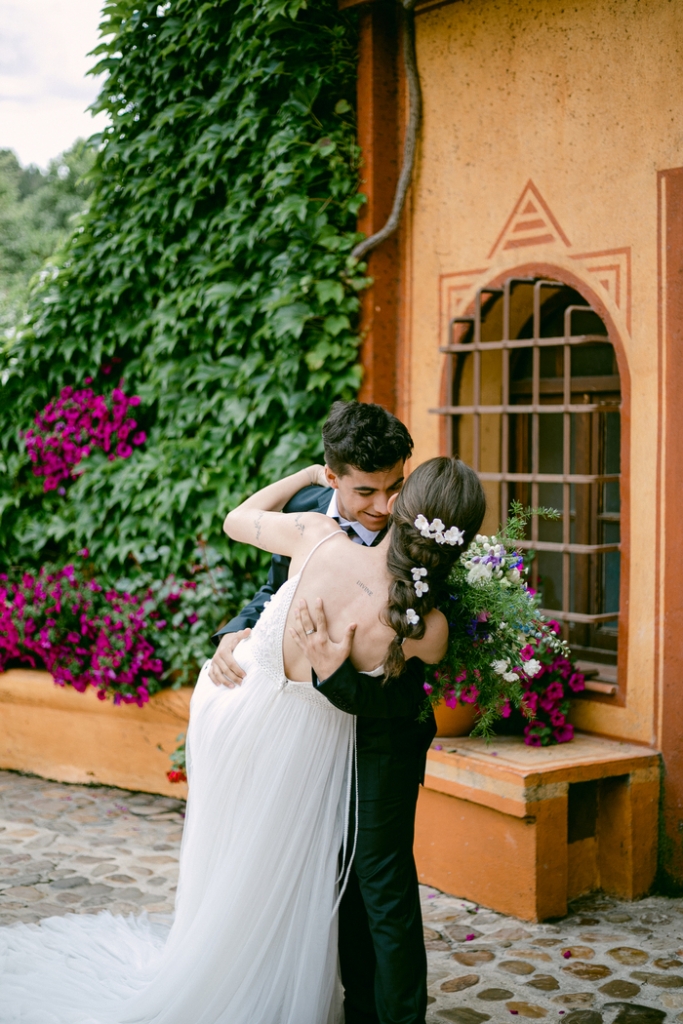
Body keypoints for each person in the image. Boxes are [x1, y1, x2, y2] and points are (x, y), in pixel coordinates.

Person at [0, 452, 484, 1024]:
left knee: (258, 859)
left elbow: (240, 521)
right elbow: (402, 692)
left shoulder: (314, 533)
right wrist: (280, 648)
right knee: (291, 866)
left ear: (401, 504)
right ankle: (261, 984)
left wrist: (308, 474)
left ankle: (241, 971)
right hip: (295, 731)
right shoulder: (425, 628)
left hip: (233, 710)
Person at [209, 402, 486, 1024]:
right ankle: (356, 1002)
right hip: (306, 736)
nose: (384, 505)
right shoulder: (308, 519)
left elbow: (417, 658)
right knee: (332, 879)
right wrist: (238, 634)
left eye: (395, 486)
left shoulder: (425, 534)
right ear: (332, 477)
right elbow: (275, 589)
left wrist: (338, 667)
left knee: (380, 884)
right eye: (366, 490)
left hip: (382, 732)